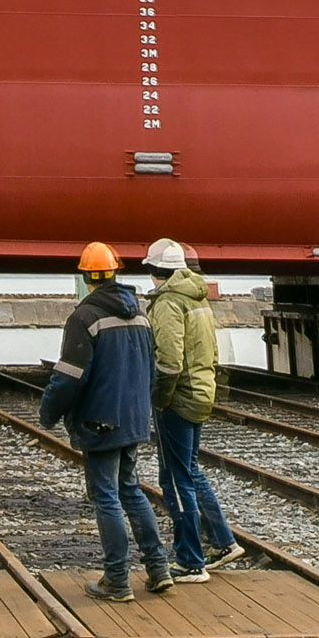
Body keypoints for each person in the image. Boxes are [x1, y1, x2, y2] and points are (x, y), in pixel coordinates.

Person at [34, 241, 171, 602]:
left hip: (100, 422)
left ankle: (117, 581)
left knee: (107, 497)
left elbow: (68, 377)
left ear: (86, 276)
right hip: (134, 419)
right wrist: (142, 411)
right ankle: (159, 570)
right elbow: (150, 373)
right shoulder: (140, 315)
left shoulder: (85, 318)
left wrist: (48, 413)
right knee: (132, 490)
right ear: (114, 272)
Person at [141, 238, 241, 580]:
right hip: (201, 391)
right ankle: (224, 541)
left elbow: (168, 362)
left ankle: (189, 561)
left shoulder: (169, 303)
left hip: (179, 398)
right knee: (191, 471)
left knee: (174, 477)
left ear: (156, 271)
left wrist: (159, 398)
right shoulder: (197, 297)